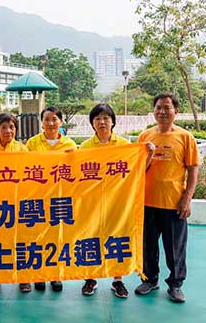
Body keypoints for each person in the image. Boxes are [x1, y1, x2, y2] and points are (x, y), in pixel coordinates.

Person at [134, 93, 198, 303]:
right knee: (148, 247)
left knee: (175, 249)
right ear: (153, 111)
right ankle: (150, 279)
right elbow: (138, 170)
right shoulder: (144, 137)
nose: (162, 112)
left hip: (174, 204)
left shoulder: (185, 137)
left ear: (175, 112)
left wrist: (187, 199)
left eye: (167, 108)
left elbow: (192, 169)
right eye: (158, 108)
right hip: (146, 203)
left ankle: (176, 285)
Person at [79, 103, 132, 298]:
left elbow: (135, 169)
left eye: (106, 118)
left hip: (117, 202)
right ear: (92, 123)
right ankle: (90, 278)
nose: (102, 122)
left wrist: (149, 152)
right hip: (92, 203)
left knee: (117, 239)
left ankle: (117, 280)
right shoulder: (85, 147)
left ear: (113, 122)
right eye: (98, 119)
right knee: (91, 238)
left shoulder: (125, 145)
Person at [26, 106, 76, 293]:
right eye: (47, 119)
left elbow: (76, 169)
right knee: (38, 236)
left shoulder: (70, 144)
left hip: (59, 198)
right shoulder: (32, 143)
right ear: (42, 122)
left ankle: (55, 275)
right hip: (38, 197)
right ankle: (39, 274)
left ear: (61, 122)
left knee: (57, 237)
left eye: (54, 119)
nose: (50, 123)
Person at [0, 113, 28, 293]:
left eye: (12, 127)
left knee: (21, 240)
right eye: (4, 127)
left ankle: (24, 278)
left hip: (17, 202)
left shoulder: (22, 150)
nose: (8, 131)